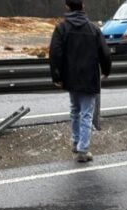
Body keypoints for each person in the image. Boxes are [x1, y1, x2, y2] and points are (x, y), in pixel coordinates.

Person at [49, 0, 112, 163]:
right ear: (83, 7)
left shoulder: (61, 28)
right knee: (86, 114)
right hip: (89, 77)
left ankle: (77, 142)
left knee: (75, 110)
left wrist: (57, 76)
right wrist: (106, 70)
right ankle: (83, 150)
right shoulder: (93, 29)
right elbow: (104, 52)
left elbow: (55, 53)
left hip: (70, 77)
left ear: (67, 7)